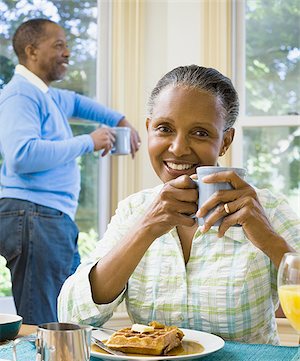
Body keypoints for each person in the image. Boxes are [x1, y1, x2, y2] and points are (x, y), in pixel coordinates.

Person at [58, 64, 300, 344]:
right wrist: (145, 228)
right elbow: (71, 316)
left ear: (225, 141)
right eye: (164, 129)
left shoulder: (265, 208)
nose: (177, 148)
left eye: (200, 133)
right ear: (149, 130)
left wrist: (269, 239)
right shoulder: (134, 211)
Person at [0, 18, 140, 325]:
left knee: (70, 316)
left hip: (46, 218)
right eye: (59, 45)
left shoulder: (45, 94)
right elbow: (21, 155)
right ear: (32, 51)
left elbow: (79, 104)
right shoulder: (21, 94)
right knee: (45, 324)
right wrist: (88, 142)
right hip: (34, 215)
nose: (67, 52)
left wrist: (120, 120)